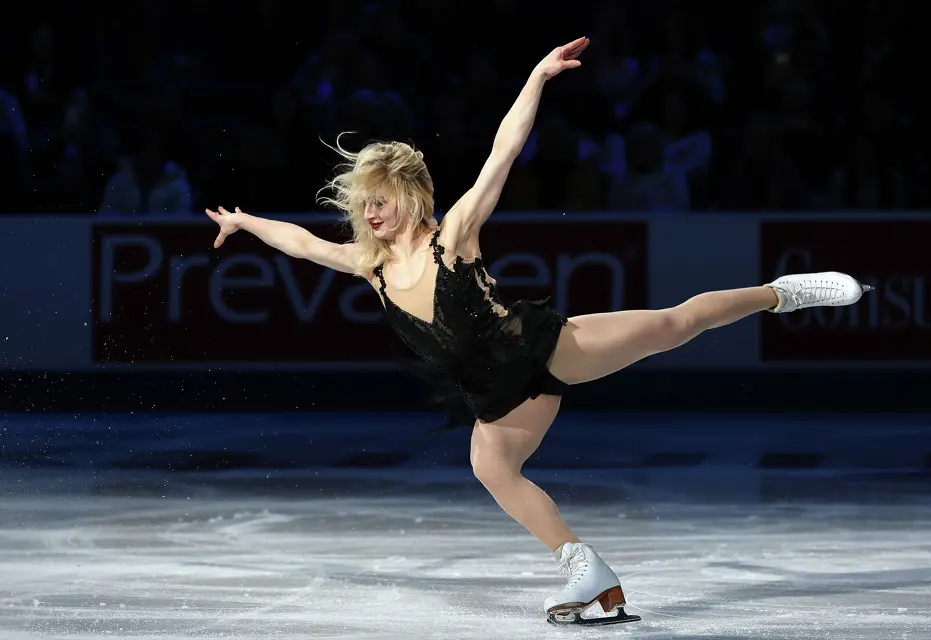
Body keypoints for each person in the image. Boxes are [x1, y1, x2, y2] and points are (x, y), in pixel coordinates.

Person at [204, 37, 871, 625]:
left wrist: (536, 78)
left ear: (409, 195)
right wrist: (246, 221)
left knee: (674, 323)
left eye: (379, 201)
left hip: (543, 350)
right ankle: (586, 568)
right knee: (489, 464)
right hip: (497, 396)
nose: (369, 214)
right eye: (363, 204)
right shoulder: (369, 267)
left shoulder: (453, 235)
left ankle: (783, 293)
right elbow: (300, 242)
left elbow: (503, 152)